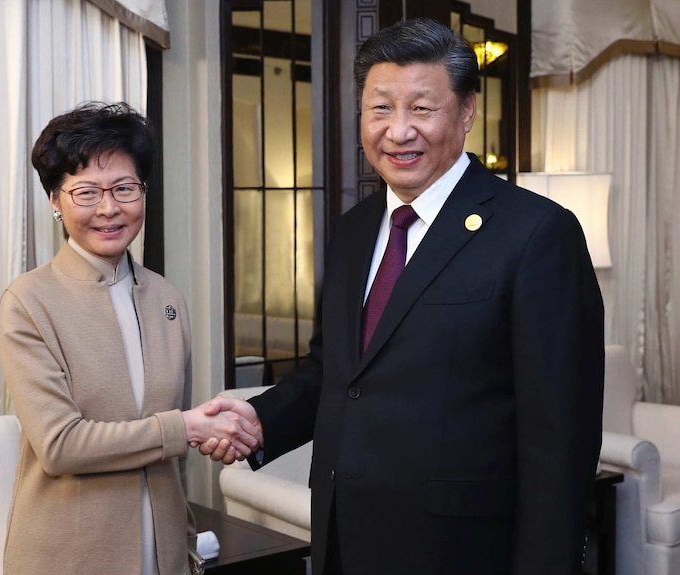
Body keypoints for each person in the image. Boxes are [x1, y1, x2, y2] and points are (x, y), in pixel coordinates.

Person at [202, 17, 605, 575]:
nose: (398, 131)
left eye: (421, 108)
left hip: (461, 549)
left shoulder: (537, 233)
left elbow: (560, 436)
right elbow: (336, 373)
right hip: (345, 534)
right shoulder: (353, 229)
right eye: (380, 108)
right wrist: (255, 418)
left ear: (466, 112)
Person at [0, 101, 261, 575]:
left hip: (163, 554)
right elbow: (61, 446)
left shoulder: (167, 298)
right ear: (55, 201)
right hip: (70, 556)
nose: (109, 208)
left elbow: (172, 460)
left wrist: (185, 546)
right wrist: (188, 427)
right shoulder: (28, 301)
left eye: (124, 188)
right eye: (86, 192)